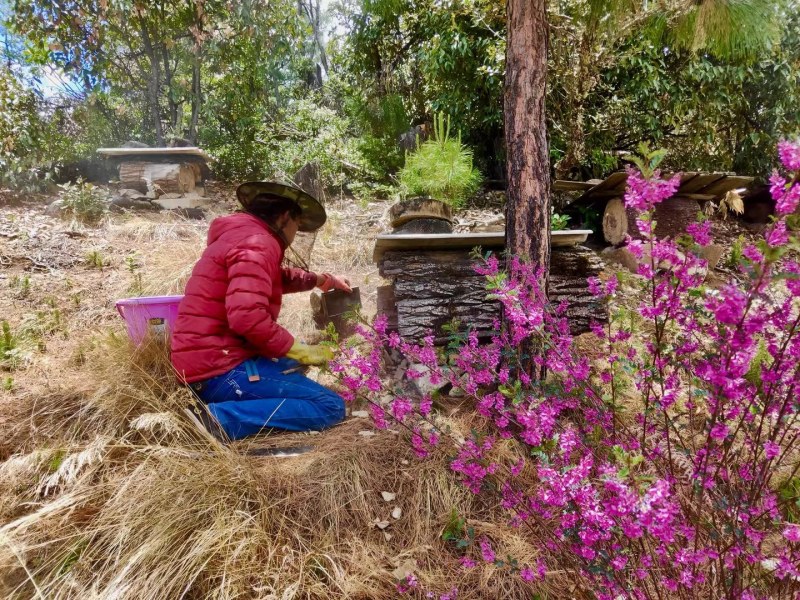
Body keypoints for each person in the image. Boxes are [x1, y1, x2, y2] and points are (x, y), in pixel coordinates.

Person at [171, 181, 350, 440]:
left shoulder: (242, 236)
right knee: (331, 406)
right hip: (218, 369)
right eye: (297, 227)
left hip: (205, 359)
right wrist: (303, 350)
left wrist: (323, 280)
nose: (295, 235)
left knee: (290, 363)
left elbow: (274, 277)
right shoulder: (258, 243)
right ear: (285, 217)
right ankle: (215, 420)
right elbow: (247, 317)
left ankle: (228, 403)